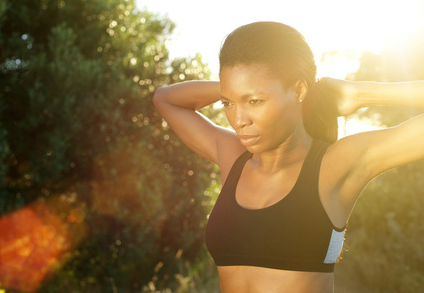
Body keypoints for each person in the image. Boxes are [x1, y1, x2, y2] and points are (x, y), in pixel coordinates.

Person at [152, 21, 424, 293]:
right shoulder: (233, 156)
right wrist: (240, 86)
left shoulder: (336, 163)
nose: (238, 120)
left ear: (299, 91)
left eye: (255, 101)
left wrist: (361, 93)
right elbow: (165, 99)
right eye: (228, 103)